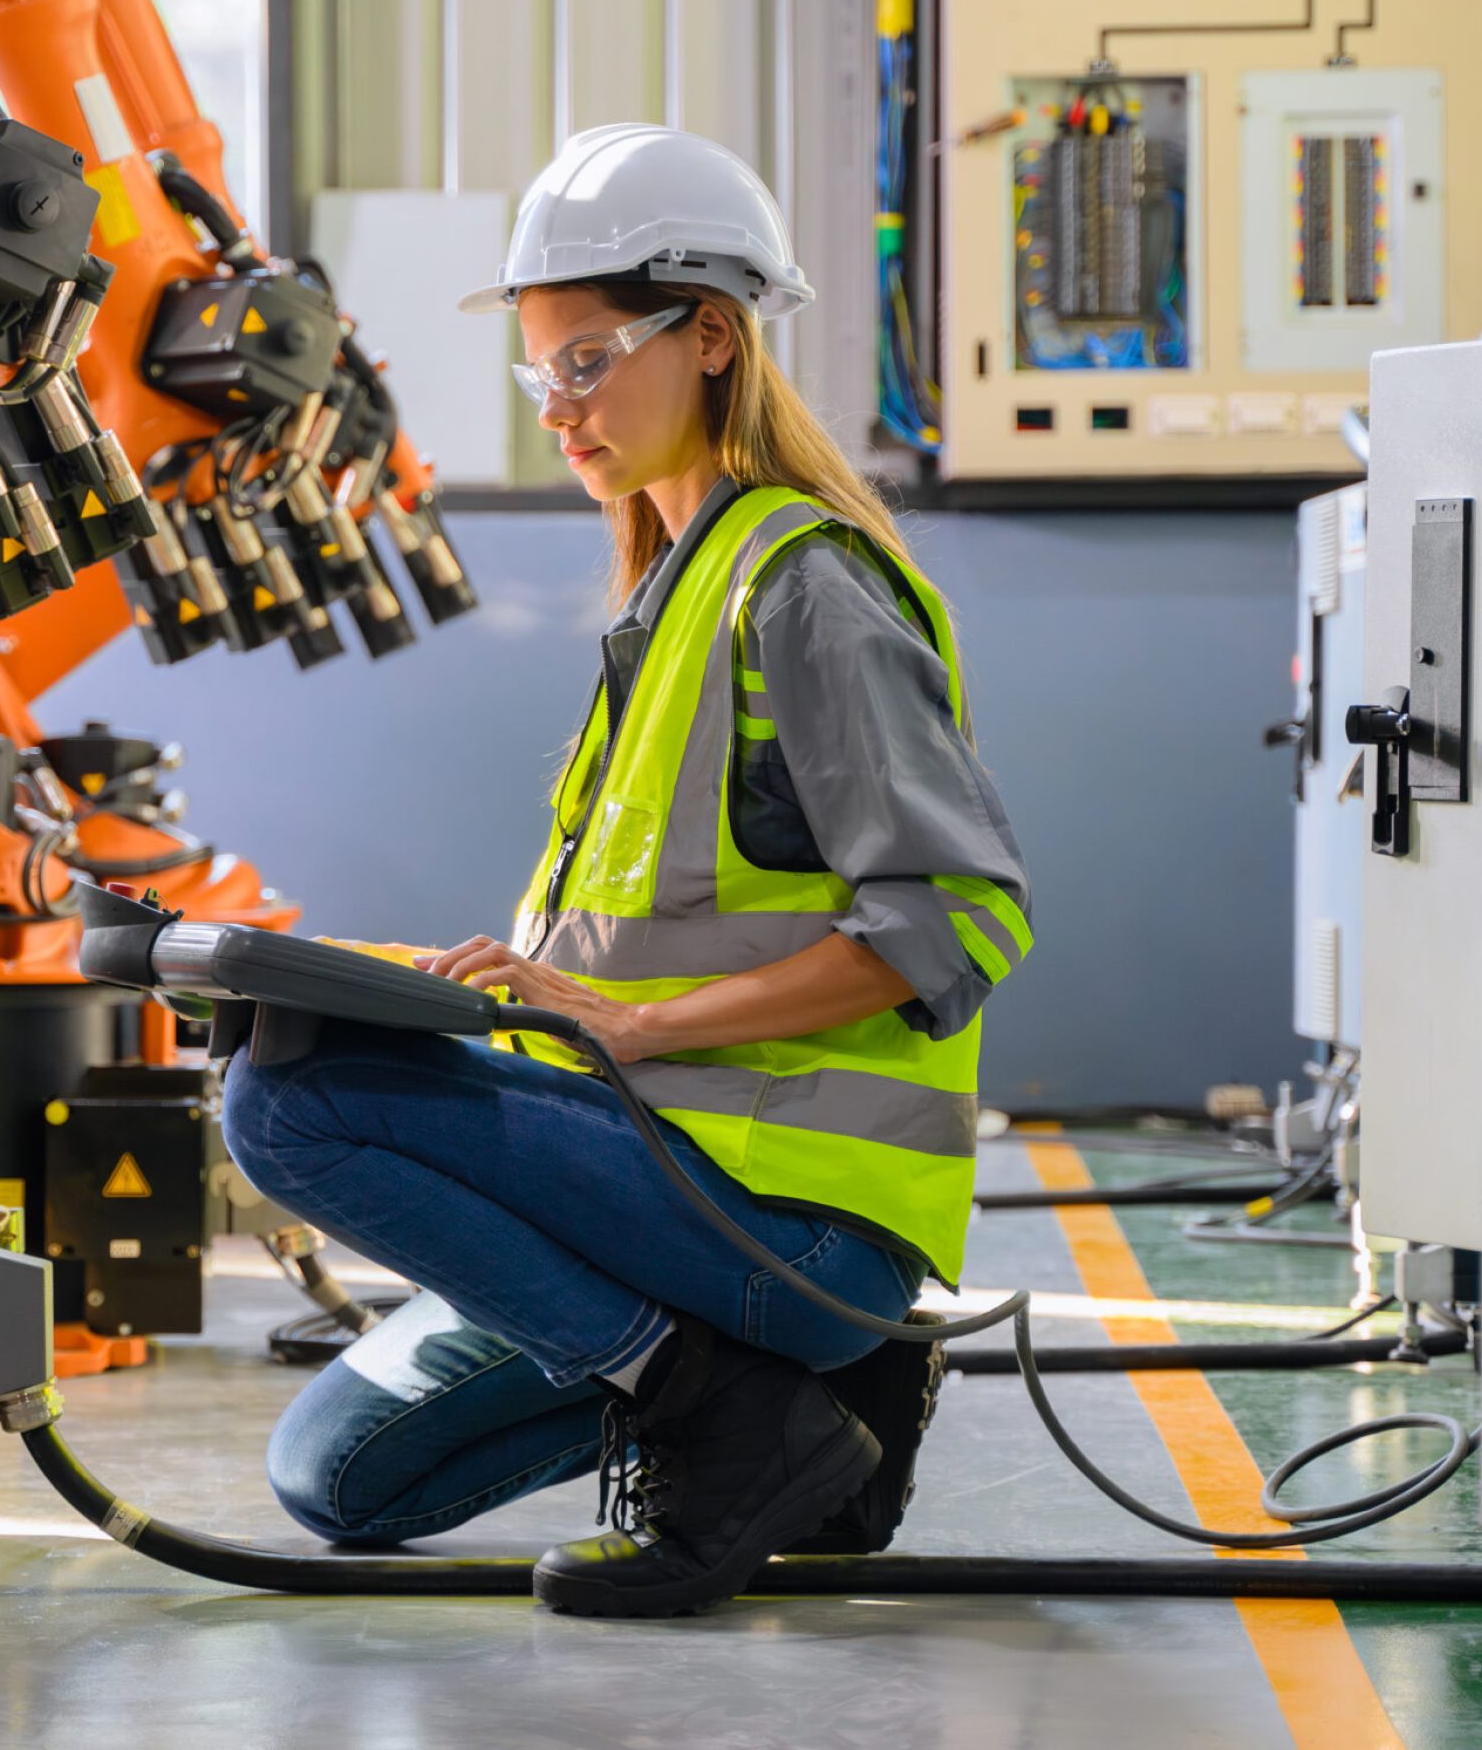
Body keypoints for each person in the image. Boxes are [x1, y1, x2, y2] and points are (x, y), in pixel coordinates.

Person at [221, 124, 1033, 1619]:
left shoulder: (805, 588)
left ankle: (734, 1412)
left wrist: (629, 1027)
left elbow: (959, 922)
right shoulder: (669, 594)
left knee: (285, 1101)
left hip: (789, 1210)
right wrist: (433, 990)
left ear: (712, 336)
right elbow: (642, 941)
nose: (562, 410)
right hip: (657, 1169)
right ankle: (827, 1407)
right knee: (341, 1479)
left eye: (588, 363)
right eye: (543, 376)